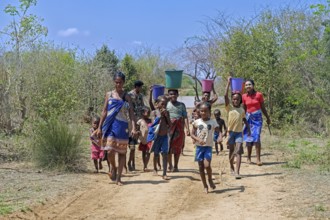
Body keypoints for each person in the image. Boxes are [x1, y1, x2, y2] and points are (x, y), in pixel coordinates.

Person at [96, 72, 137, 186]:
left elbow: (131, 113)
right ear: (114, 82)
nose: (118, 84)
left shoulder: (126, 96)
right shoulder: (109, 94)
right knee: (109, 150)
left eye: (120, 82)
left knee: (122, 152)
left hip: (123, 126)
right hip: (110, 125)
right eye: (116, 82)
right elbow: (104, 111)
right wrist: (99, 127)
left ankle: (118, 178)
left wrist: (133, 127)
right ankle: (113, 168)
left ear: (124, 82)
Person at [225, 77, 251, 179]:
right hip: (231, 133)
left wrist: (248, 129)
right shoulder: (229, 108)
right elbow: (225, 95)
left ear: (240, 100)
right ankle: (231, 166)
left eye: (238, 99)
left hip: (239, 133)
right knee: (232, 151)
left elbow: (244, 120)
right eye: (234, 99)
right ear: (232, 100)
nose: (235, 100)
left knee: (238, 150)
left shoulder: (242, 110)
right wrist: (228, 83)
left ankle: (237, 172)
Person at [191, 102, 220, 193]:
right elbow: (191, 134)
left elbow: (218, 131)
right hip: (199, 147)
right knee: (200, 167)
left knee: (207, 165)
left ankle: (210, 179)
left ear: (209, 112)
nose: (203, 113)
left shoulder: (213, 122)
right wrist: (197, 139)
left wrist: (219, 137)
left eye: (205, 111)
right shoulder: (197, 122)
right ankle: (205, 185)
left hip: (208, 147)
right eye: (201, 111)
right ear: (199, 112)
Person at [242, 79, 271, 166]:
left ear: (253, 85)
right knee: (248, 137)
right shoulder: (244, 96)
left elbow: (263, 107)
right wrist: (242, 119)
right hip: (248, 118)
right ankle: (248, 158)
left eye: (249, 84)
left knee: (257, 137)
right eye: (246, 85)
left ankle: (258, 159)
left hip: (257, 118)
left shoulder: (259, 95)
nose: (248, 86)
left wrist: (268, 118)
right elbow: (244, 109)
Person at [149, 91, 171, 180]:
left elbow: (170, 124)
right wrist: (161, 116)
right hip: (156, 136)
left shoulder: (167, 112)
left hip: (165, 136)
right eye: (162, 104)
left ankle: (164, 173)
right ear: (157, 104)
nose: (164, 106)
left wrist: (166, 116)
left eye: (165, 104)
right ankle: (155, 168)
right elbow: (153, 124)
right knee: (156, 153)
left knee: (165, 154)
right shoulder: (154, 112)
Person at [166, 89, 190, 172]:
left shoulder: (182, 105)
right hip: (168, 128)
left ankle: (176, 166)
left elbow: (185, 117)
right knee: (168, 147)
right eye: (171, 94)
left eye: (174, 94)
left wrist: (187, 128)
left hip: (179, 128)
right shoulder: (166, 104)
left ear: (177, 95)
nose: (173, 96)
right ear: (168, 95)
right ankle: (170, 165)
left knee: (178, 147)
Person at [128, 80, 146, 171]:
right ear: (136, 87)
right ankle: (129, 163)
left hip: (138, 120)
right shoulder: (129, 95)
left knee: (133, 145)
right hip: (131, 121)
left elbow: (142, 107)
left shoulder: (141, 96)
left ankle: (132, 163)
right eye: (140, 87)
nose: (141, 88)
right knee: (131, 145)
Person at [137, 106, 152, 172]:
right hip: (143, 139)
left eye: (149, 112)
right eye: (147, 112)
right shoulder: (140, 121)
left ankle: (146, 165)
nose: (148, 113)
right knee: (143, 152)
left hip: (149, 139)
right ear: (142, 113)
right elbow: (137, 129)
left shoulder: (151, 120)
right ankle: (144, 165)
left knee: (148, 152)